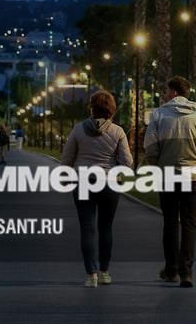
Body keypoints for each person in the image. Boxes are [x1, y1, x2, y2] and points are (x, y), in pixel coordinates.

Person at [143, 76, 196, 288]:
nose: (165, 94)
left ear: (174, 92)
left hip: (168, 175)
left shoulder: (159, 114)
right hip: (193, 177)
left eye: (167, 91)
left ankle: (171, 270)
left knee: (170, 223)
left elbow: (150, 146)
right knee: (189, 224)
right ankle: (187, 272)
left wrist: (156, 165)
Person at [60, 90, 132, 288]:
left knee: (87, 228)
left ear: (92, 108)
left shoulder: (78, 129)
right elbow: (127, 162)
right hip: (108, 183)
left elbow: (67, 158)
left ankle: (90, 275)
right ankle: (104, 272)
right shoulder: (118, 131)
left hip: (83, 181)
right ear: (111, 108)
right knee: (106, 227)